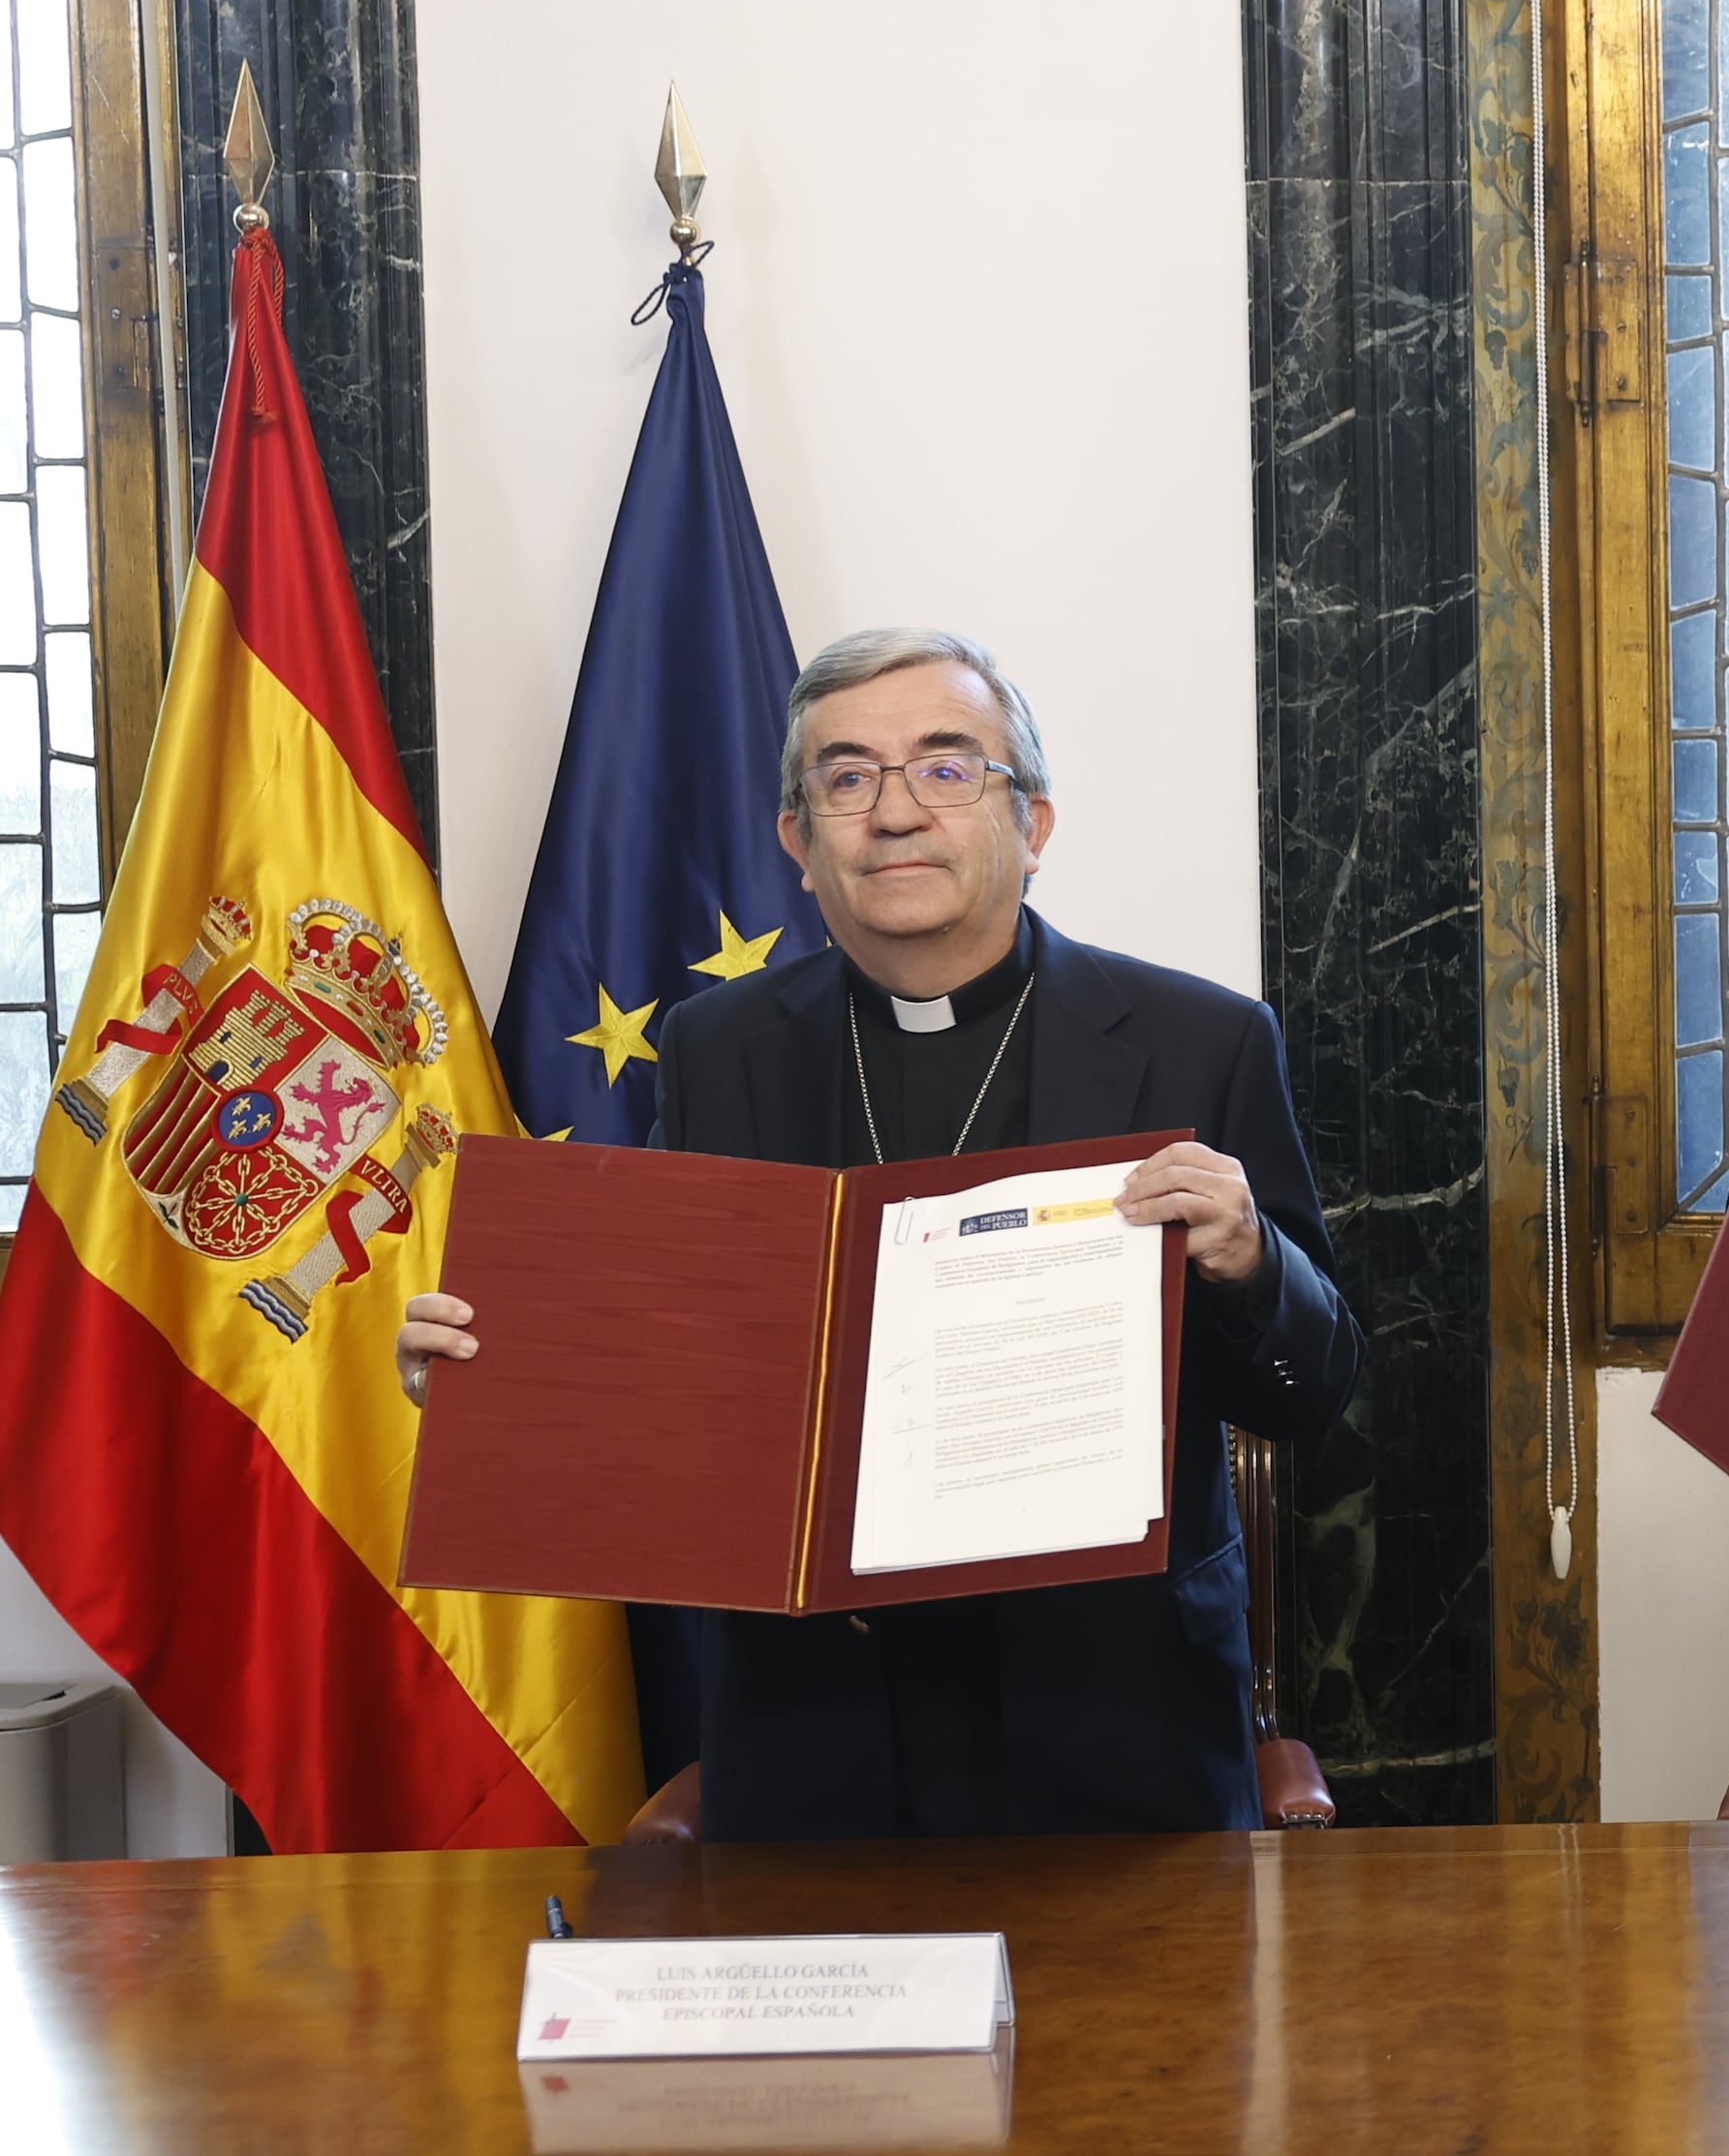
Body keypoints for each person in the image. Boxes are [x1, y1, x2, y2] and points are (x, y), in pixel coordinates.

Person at [402, 627, 1362, 1836]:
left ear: (1035, 825)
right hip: (814, 1726)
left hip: (1112, 1718)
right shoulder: (716, 1050)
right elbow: (669, 1361)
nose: (895, 811)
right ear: (799, 845)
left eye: (948, 767)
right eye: (847, 777)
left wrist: (1248, 1262)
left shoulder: (1201, 1039)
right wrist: (503, 1388)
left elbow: (1311, 1390)